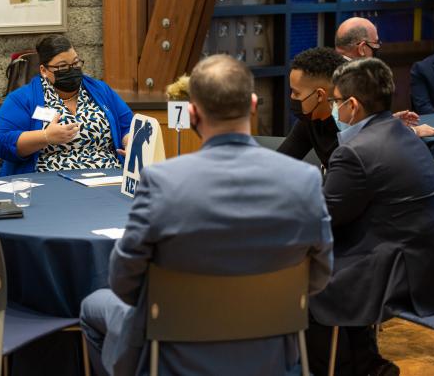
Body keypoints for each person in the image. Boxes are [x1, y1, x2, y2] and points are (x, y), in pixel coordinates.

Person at [80, 55, 333, 376]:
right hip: (269, 351)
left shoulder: (161, 181)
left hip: (176, 353)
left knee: (93, 305)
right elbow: (318, 277)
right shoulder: (304, 181)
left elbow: (124, 282)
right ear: (253, 106)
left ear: (193, 113)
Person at [307, 58, 434, 376]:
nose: (335, 110)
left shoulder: (355, 151)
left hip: (389, 267)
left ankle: (336, 368)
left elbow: (322, 218)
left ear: (352, 105)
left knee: (302, 278)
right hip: (420, 260)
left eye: (336, 101)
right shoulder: (404, 132)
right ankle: (366, 364)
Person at [0, 35, 133, 175]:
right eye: (62, 66)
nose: (72, 70)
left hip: (107, 176)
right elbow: (2, 142)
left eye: (76, 63)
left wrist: (128, 141)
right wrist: (45, 136)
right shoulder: (22, 99)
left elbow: (128, 125)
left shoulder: (100, 90)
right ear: (44, 70)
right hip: (49, 181)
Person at [278, 48, 434, 168]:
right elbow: (279, 162)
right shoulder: (310, 120)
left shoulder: (356, 128)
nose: (292, 97)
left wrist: (404, 130)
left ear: (320, 96)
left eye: (296, 92)